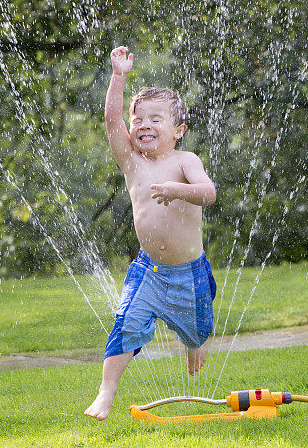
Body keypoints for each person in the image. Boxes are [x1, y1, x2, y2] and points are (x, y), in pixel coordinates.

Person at [85, 46, 218, 420]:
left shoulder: (184, 161)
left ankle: (194, 343)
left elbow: (208, 193)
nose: (144, 125)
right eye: (138, 119)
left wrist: (177, 190)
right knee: (124, 324)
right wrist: (119, 76)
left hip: (188, 274)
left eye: (155, 119)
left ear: (178, 131)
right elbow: (112, 121)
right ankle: (106, 393)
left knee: (197, 331)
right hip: (148, 270)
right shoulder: (132, 163)